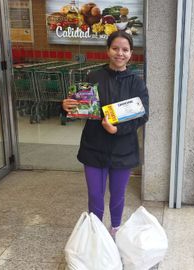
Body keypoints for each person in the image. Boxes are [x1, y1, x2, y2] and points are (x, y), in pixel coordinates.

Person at [62, 31, 149, 238]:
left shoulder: (137, 83)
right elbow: (81, 108)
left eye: (125, 49)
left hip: (123, 149)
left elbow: (142, 116)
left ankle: (115, 230)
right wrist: (67, 106)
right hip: (94, 146)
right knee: (95, 195)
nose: (120, 53)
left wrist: (117, 129)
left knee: (118, 196)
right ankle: (96, 233)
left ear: (131, 54)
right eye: (115, 48)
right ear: (108, 50)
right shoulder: (94, 76)